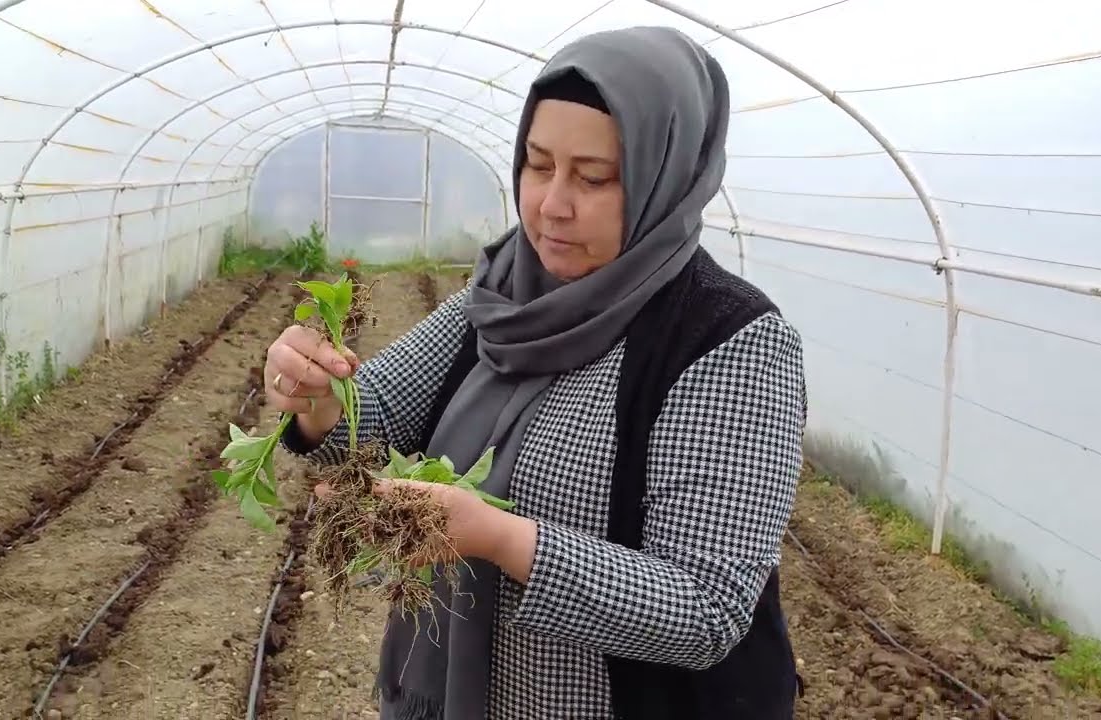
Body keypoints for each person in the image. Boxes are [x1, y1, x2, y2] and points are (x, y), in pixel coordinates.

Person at [266, 25, 807, 720]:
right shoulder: (501, 296)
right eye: (537, 163)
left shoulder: (727, 341)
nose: (552, 203)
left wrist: (499, 537)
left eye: (594, 177)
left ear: (665, 176)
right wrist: (317, 400)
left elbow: (706, 609)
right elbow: (371, 419)